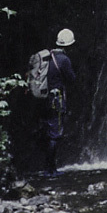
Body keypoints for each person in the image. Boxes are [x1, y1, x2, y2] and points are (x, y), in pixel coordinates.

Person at [43, 28, 76, 176]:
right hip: (56, 100)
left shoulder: (48, 56)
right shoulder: (64, 60)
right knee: (55, 134)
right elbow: (71, 79)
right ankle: (51, 170)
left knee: (49, 132)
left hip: (45, 99)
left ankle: (48, 168)